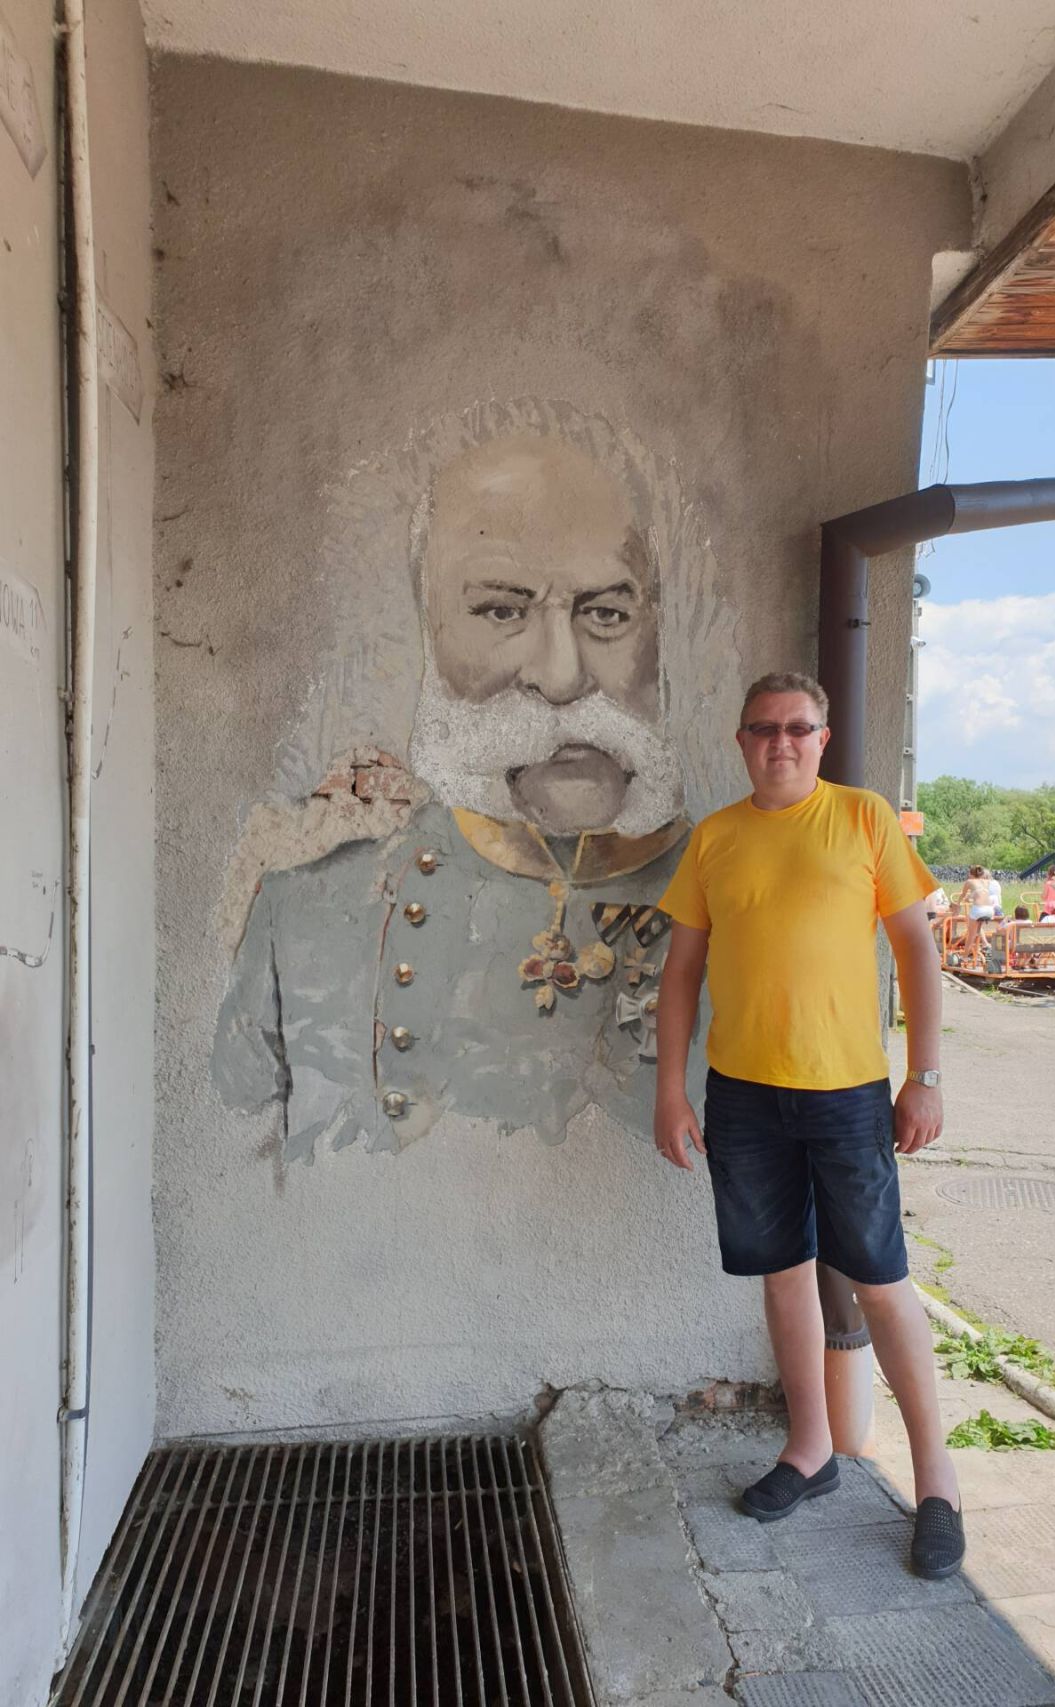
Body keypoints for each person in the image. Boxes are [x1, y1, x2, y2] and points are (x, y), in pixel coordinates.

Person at [214, 404, 723, 1156]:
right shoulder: (302, 918)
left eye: (608, 613)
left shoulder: (746, 909)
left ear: (657, 633)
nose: (562, 676)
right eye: (501, 610)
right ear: (428, 632)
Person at [653, 671, 964, 1580]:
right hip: (744, 1096)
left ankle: (937, 1483)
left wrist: (925, 1077)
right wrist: (670, 1089)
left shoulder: (864, 818)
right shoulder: (715, 838)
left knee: (882, 1280)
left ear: (822, 739)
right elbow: (681, 972)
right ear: (742, 741)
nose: (780, 742)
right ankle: (810, 1448)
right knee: (783, 1273)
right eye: (764, 728)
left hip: (848, 1094)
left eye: (798, 728)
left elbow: (916, 947)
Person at [957, 866, 996, 961]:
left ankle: (965, 957)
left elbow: (962, 895)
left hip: (979, 909)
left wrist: (958, 903)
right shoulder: (986, 882)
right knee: (977, 930)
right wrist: (970, 897)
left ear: (971, 874)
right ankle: (983, 946)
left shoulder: (969, 881)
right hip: (990, 910)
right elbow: (980, 893)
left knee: (971, 935)